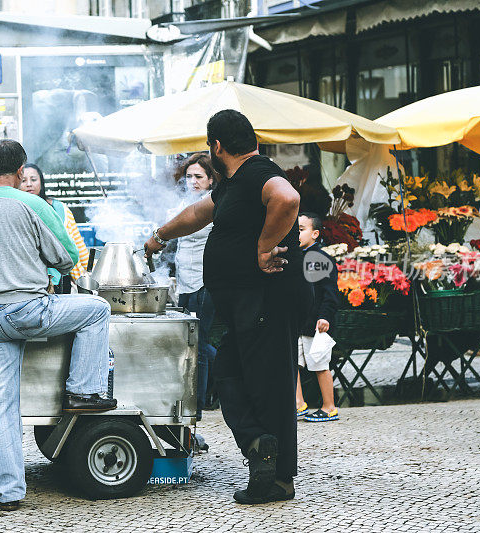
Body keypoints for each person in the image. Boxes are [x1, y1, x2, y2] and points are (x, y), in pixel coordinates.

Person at [0, 140, 117, 511]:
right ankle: (84, 391)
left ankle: (9, 492)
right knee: (97, 309)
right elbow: (68, 259)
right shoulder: (34, 204)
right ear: (21, 172)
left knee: (1, 403)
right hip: (29, 310)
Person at [144, 109, 309, 505]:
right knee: (230, 371)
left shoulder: (259, 173)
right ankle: (259, 447)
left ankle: (277, 478)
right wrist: (159, 236)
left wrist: (264, 247)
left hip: (265, 300)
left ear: (216, 146)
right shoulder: (234, 184)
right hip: (245, 304)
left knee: (267, 384)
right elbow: (200, 213)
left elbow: (288, 198)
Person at [168, 154, 218, 426]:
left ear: (211, 179)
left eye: (199, 176)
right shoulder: (182, 202)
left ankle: (196, 407)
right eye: (189, 176)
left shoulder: (210, 203)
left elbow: (184, 225)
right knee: (191, 343)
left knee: (198, 345)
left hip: (203, 282)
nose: (193, 181)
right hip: (185, 282)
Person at [295, 213, 339, 422]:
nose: (297, 233)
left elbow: (330, 292)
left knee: (320, 365)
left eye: (301, 229)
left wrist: (325, 316)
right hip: (297, 324)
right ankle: (298, 403)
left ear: (315, 233)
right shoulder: (295, 256)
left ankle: (329, 406)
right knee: (291, 364)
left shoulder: (320, 259)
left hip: (316, 325)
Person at [19, 163, 89, 292]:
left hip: (61, 281)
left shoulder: (60, 208)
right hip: (28, 283)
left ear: (41, 182)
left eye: (33, 179)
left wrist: (91, 273)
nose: (29, 184)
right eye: (23, 180)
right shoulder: (16, 210)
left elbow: (77, 246)